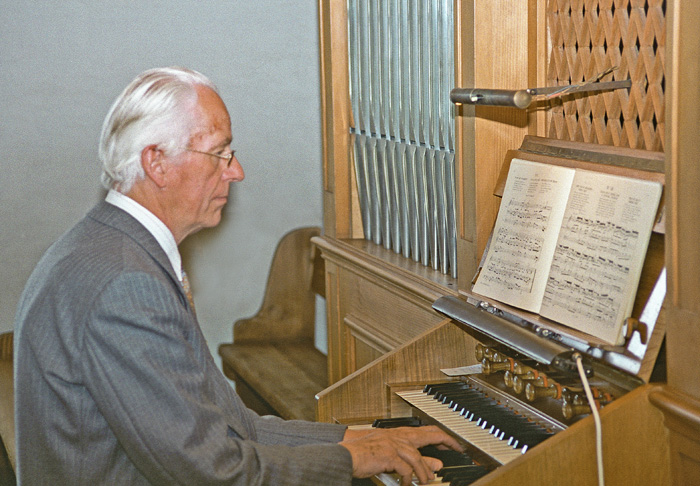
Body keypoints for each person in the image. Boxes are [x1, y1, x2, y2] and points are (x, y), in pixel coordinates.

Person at [14, 67, 461, 485]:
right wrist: (352, 461)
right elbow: (213, 470)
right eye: (219, 153)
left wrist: (357, 438)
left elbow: (235, 426)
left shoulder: (114, 247)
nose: (236, 171)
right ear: (157, 162)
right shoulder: (126, 283)